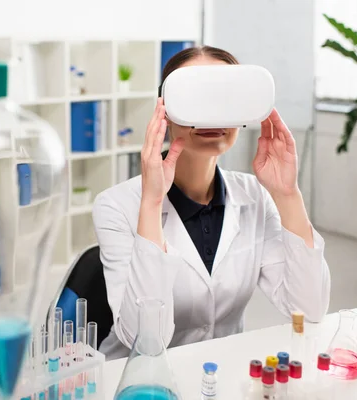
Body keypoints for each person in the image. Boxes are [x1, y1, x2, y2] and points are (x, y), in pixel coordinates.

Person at [91, 46, 331, 360]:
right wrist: (151, 204)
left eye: (225, 98)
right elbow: (145, 340)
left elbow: (309, 310)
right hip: (136, 378)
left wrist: (287, 195)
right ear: (165, 110)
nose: (211, 116)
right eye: (196, 97)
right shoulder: (115, 205)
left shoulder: (255, 196)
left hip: (220, 374)